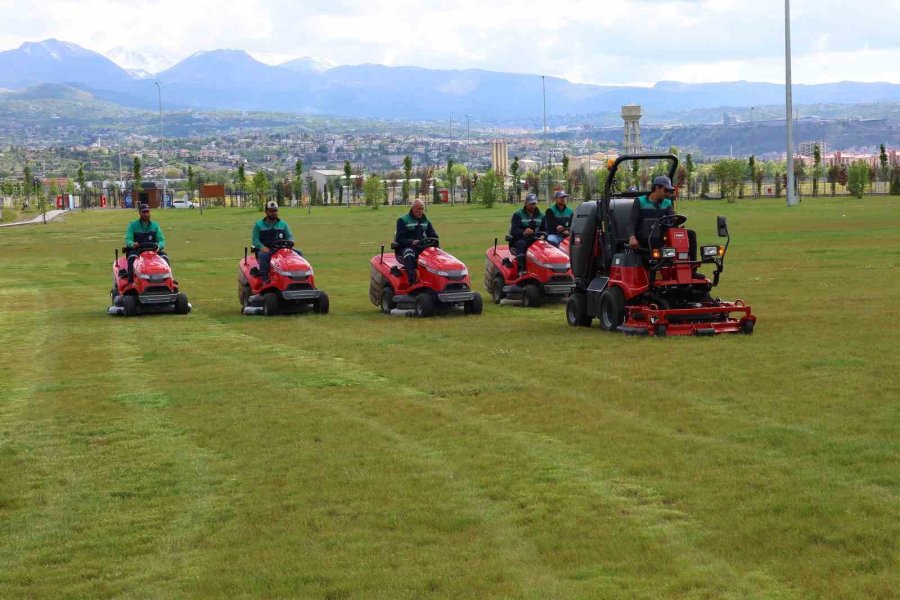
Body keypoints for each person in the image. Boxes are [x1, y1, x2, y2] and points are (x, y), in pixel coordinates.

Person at [628, 176, 697, 261]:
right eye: (666, 190)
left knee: (690, 234)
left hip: (662, 235)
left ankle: (692, 266)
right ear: (657, 188)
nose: (668, 194)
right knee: (655, 236)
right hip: (645, 237)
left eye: (669, 191)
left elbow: (672, 217)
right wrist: (632, 237)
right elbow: (632, 222)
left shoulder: (667, 203)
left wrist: (676, 222)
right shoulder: (640, 201)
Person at [252, 200, 300, 282]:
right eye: (271, 211)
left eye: (275, 210)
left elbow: (289, 236)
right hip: (267, 250)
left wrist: (291, 241)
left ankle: (297, 277)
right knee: (264, 256)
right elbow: (255, 239)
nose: (274, 213)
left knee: (299, 253)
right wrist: (261, 247)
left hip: (281, 249)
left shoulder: (283, 224)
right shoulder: (258, 225)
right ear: (266, 212)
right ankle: (265, 279)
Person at [395, 199, 438, 285]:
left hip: (423, 247)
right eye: (418, 209)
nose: (420, 211)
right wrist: (411, 242)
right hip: (408, 247)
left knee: (436, 254)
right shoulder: (402, 220)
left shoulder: (426, 221)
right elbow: (400, 238)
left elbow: (434, 236)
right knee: (409, 253)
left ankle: (436, 279)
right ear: (412, 208)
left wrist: (435, 246)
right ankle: (412, 279)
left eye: (422, 209)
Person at [125, 203, 167, 282]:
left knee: (165, 257)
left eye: (147, 212)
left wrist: (159, 246)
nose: (146, 214)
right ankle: (131, 281)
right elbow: (128, 239)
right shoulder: (133, 226)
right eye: (144, 212)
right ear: (139, 213)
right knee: (131, 258)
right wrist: (132, 244)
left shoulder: (155, 226)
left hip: (153, 251)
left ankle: (168, 280)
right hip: (137, 251)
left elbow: (161, 240)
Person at [509, 193, 546, 275]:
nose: (533, 206)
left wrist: (543, 235)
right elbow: (514, 230)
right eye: (531, 204)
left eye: (534, 204)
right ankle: (521, 268)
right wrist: (524, 232)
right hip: (522, 238)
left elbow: (545, 229)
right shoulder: (518, 214)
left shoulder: (542, 215)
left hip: (537, 239)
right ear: (525, 203)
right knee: (521, 244)